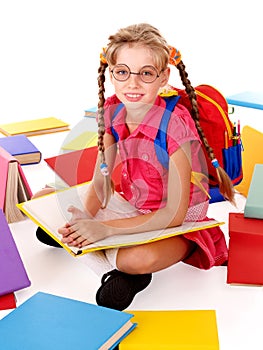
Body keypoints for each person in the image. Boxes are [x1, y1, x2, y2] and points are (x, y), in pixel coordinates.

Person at [35, 23, 234, 311]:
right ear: (111, 73)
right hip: (132, 206)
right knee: (45, 202)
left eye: (146, 73)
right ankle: (114, 267)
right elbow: (101, 182)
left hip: (174, 224)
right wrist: (82, 220)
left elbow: (173, 215)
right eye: (123, 72)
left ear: (163, 76)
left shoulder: (174, 126)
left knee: (137, 259)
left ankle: (126, 270)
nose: (133, 84)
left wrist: (103, 229)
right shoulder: (112, 111)